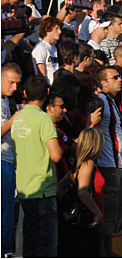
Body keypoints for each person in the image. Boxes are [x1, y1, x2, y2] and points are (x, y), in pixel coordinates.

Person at [11, 76, 62, 257]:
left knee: (30, 241)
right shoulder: (43, 119)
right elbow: (55, 155)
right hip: (43, 189)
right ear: (47, 93)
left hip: (25, 187)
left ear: (25, 93)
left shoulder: (17, 119)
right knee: (46, 243)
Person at [90, 66, 122, 257]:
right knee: (109, 209)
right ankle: (104, 252)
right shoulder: (101, 101)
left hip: (118, 163)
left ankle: (109, 249)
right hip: (107, 164)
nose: (119, 80)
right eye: (114, 77)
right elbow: (90, 125)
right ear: (103, 83)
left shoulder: (112, 101)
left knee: (118, 209)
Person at [58, 128, 105, 258]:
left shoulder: (79, 165)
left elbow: (61, 186)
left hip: (79, 221)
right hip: (88, 220)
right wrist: (97, 213)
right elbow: (83, 192)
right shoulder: (88, 164)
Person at [1, 63, 21, 257]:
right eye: (11, 82)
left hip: (8, 160)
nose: (14, 88)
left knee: (7, 213)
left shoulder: (6, 100)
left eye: (17, 84)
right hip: (1, 161)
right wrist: (15, 118)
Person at [32, 16, 62, 84]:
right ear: (48, 30)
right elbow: (41, 73)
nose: (60, 31)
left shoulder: (54, 48)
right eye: (57, 29)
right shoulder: (40, 48)